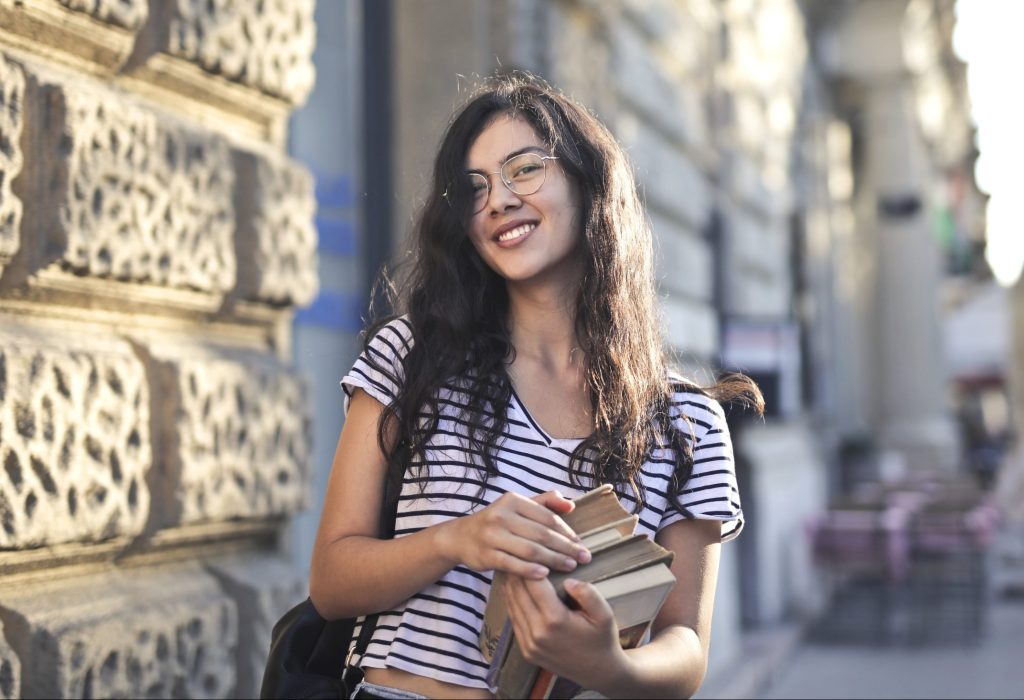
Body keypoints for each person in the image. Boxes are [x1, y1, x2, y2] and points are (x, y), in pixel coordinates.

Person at [309, 72, 763, 700]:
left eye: (524, 170)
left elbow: (684, 647)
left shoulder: (687, 424)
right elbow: (332, 581)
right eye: (475, 188)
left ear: (587, 182)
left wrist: (608, 663)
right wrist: (458, 540)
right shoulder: (411, 357)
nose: (497, 200)